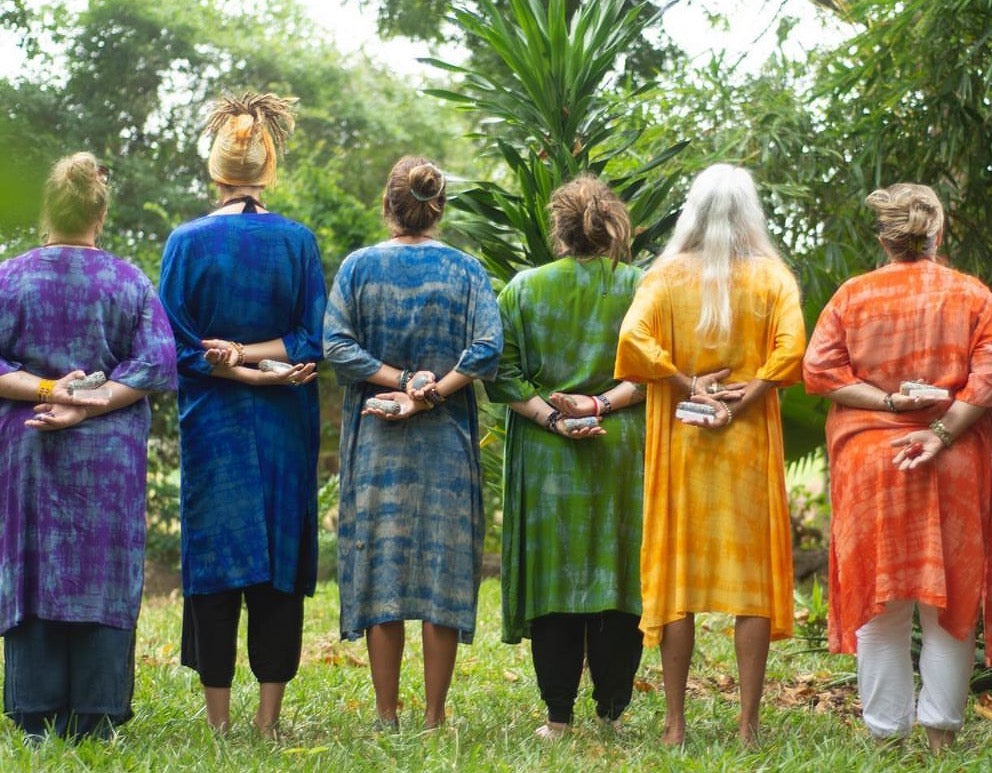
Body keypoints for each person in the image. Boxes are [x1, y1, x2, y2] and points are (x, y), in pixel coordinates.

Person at [802, 183, 992, 751]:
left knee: (880, 603)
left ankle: (885, 739)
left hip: (872, 466)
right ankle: (941, 740)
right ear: (938, 234)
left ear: (885, 239)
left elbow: (819, 372)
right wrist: (942, 430)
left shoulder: (852, 296)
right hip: (955, 457)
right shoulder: (971, 295)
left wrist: (888, 403)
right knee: (952, 604)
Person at [614, 163, 805, 745]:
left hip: (683, 446)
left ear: (691, 210)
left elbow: (632, 340)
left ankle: (675, 726)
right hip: (744, 447)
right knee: (751, 587)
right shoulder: (773, 279)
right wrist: (751, 393)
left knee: (678, 583)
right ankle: (748, 727)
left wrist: (685, 381)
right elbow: (793, 347)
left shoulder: (665, 276)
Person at [158, 93, 325, 736]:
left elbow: (175, 346)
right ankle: (268, 721)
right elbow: (311, 337)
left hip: (214, 426)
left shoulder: (185, 241)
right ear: (268, 169)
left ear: (217, 172)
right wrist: (259, 364)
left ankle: (219, 722)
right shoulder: (297, 241)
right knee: (277, 567)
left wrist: (229, 361)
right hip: (282, 424)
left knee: (217, 563)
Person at [0, 152, 177, 740]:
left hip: (29, 450)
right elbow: (157, 362)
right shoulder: (129, 281)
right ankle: (97, 716)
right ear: (100, 217)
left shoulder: (10, 278)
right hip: (109, 458)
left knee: (35, 567)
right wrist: (91, 401)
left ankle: (34, 714)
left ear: (47, 212)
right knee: (101, 569)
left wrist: (50, 390)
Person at [324, 155, 502, 731]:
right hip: (446, 443)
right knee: (442, 574)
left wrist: (400, 382)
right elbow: (485, 349)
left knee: (383, 570)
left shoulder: (357, 268)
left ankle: (385, 713)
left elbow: (339, 349)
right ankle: (434, 713)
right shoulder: (467, 271)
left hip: (378, 442)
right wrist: (429, 391)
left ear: (388, 205)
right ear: (439, 208)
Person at [484, 176, 646, 739]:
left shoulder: (524, 289)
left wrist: (552, 418)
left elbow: (499, 372)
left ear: (560, 229)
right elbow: (656, 373)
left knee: (555, 585)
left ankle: (558, 716)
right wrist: (601, 402)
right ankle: (612, 712)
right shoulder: (640, 288)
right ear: (612, 226)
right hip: (620, 452)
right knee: (618, 576)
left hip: (546, 456)